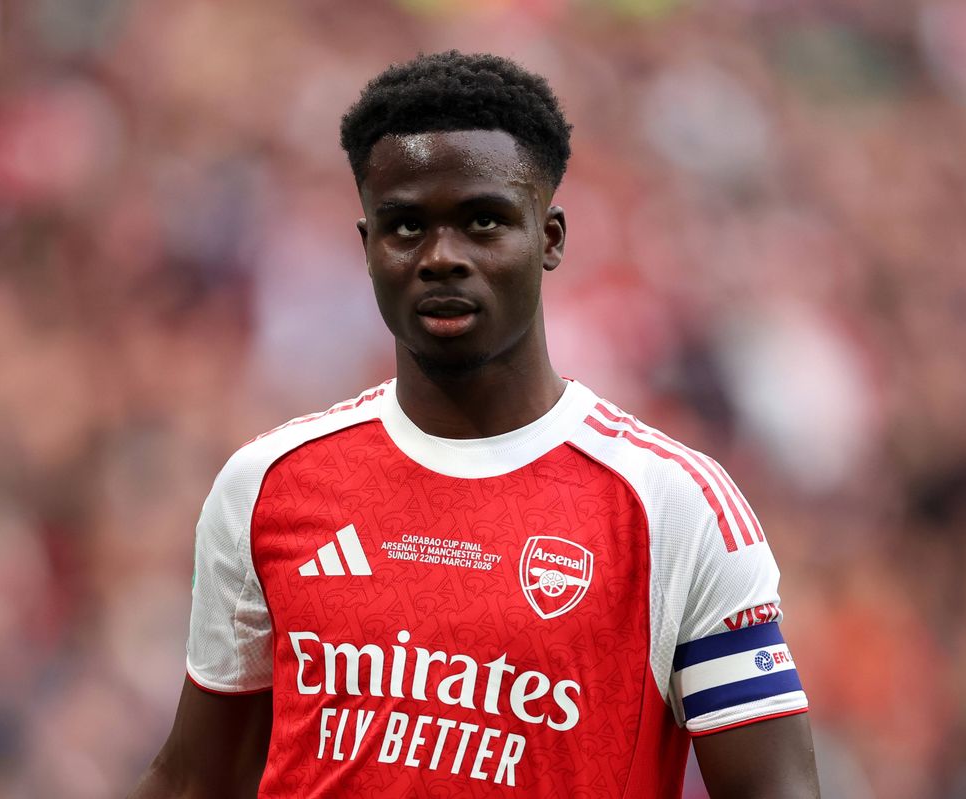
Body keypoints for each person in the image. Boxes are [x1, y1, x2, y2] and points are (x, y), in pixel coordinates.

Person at [129, 50, 820, 798]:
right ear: (367, 249)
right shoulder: (267, 485)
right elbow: (194, 779)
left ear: (549, 237)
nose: (442, 257)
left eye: (483, 221)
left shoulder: (673, 509)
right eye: (405, 227)